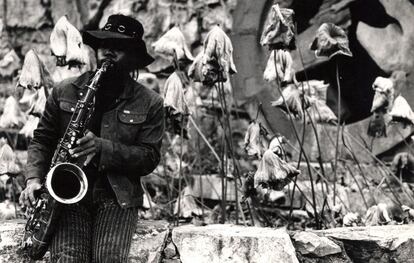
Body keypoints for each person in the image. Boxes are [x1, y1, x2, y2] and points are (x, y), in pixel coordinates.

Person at [19, 14, 164, 262]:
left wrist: (102, 148)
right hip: (67, 196)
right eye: (106, 44)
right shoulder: (64, 90)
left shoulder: (150, 102)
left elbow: (149, 157)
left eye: (119, 47)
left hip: (116, 198)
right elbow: (42, 140)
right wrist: (33, 179)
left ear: (133, 57)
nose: (109, 51)